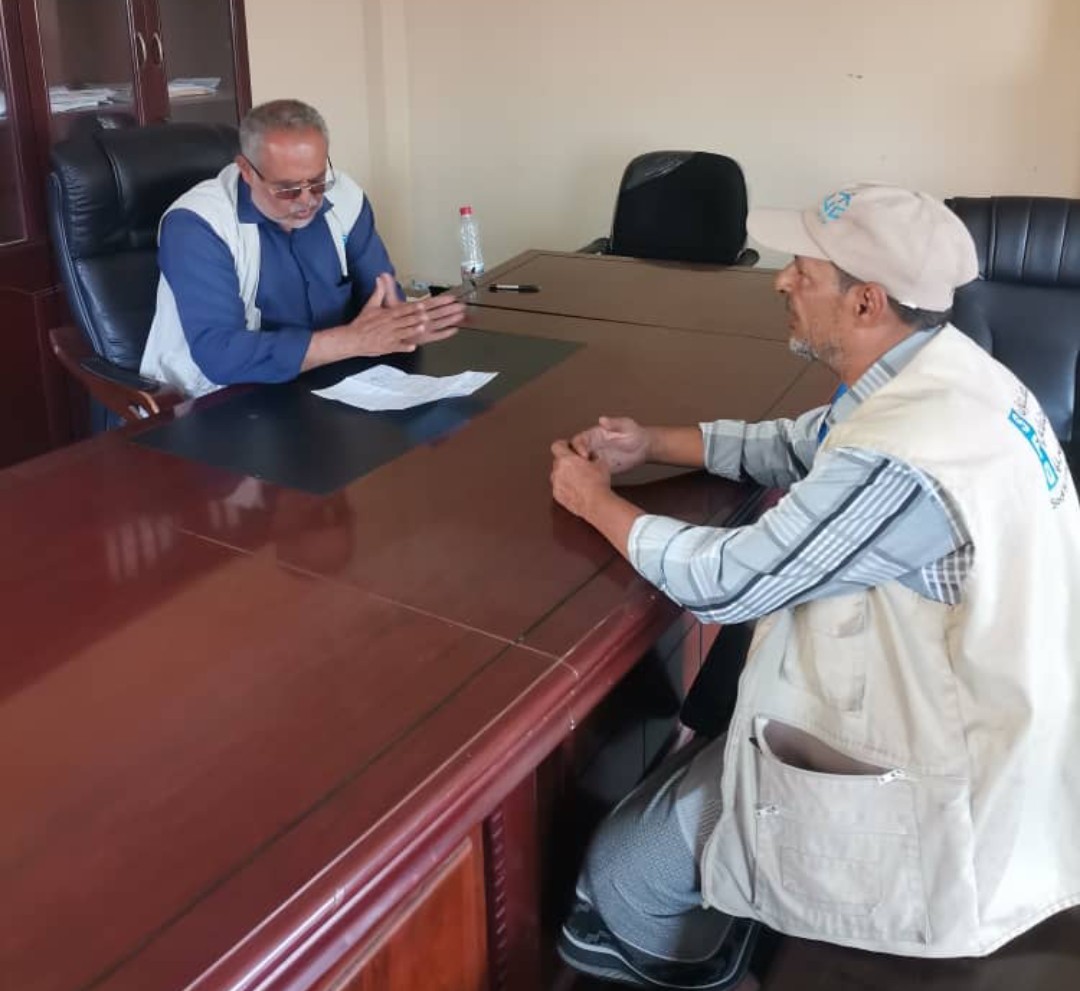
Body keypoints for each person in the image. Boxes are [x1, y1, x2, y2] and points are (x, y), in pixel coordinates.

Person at [549, 183, 1080, 988]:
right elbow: (810, 444)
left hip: (953, 790)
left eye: (803, 271)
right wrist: (652, 442)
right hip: (981, 710)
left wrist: (594, 500)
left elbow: (725, 581)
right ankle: (739, 915)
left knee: (623, 879)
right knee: (711, 735)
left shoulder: (909, 456)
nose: (781, 281)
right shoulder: (947, 369)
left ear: (866, 302)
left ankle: (724, 960)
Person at [140, 99, 464, 397]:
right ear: (247, 171)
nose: (308, 200)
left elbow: (381, 298)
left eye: (318, 181)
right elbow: (221, 355)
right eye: (288, 189)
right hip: (217, 398)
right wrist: (351, 341)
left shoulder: (346, 199)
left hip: (325, 381)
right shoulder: (198, 225)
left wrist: (404, 325)